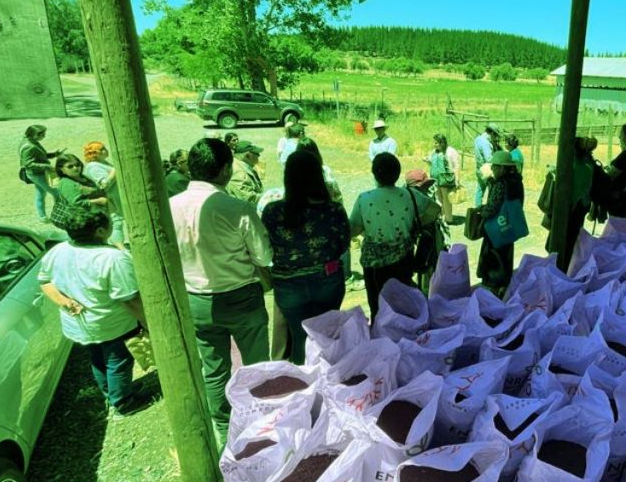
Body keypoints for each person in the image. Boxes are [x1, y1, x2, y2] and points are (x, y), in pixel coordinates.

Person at [169, 138, 273, 444]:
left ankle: (224, 426)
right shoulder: (237, 208)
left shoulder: (170, 206)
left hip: (196, 299)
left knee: (214, 368)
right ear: (226, 169)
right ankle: (259, 421)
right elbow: (264, 256)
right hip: (240, 295)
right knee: (255, 364)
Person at [38, 206, 154, 417]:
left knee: (98, 359)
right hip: (111, 324)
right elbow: (129, 299)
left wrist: (63, 301)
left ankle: (112, 393)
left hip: (80, 325)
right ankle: (124, 401)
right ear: (100, 231)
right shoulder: (112, 258)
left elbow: (44, 281)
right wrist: (149, 323)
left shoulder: (58, 250)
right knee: (118, 361)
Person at [261, 150, 350, 365]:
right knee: (326, 336)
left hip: (288, 286)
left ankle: (306, 383)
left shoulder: (273, 211)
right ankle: (329, 380)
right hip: (327, 280)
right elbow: (343, 244)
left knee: (300, 337)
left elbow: (266, 247)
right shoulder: (333, 210)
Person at [349, 153, 439, 322]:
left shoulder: (364, 198)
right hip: (403, 260)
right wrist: (413, 224)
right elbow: (434, 210)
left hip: (374, 265)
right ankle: (404, 333)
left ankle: (383, 339)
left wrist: (369, 228)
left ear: (374, 173)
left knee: (377, 306)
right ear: (398, 174)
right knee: (402, 302)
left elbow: (353, 229)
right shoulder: (410, 195)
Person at [476, 150, 524, 297]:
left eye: (494, 167)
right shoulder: (517, 181)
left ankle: (493, 289)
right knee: (506, 256)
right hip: (510, 225)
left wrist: (480, 212)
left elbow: (492, 208)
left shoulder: (500, 184)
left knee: (494, 259)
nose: (492, 169)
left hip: (497, 227)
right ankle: (504, 285)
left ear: (502, 168)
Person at [405, 168, 448, 294]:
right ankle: (428, 292)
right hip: (426, 237)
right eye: (426, 185)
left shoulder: (403, 194)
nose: (428, 187)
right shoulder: (417, 196)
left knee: (422, 267)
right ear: (419, 185)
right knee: (428, 265)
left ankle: (426, 291)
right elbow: (436, 210)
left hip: (417, 238)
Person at [83, 141, 127, 248]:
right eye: (101, 149)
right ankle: (120, 247)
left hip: (116, 196)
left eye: (104, 148)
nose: (105, 151)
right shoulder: (93, 167)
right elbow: (104, 185)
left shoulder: (102, 163)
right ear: (94, 154)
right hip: (111, 198)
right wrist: (117, 170)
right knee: (116, 222)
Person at [18, 124, 61, 223]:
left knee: (40, 194)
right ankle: (59, 215)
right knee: (57, 193)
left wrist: (54, 154)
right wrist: (46, 166)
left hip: (38, 173)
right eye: (42, 134)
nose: (44, 136)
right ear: (34, 134)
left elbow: (40, 155)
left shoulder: (30, 141)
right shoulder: (29, 146)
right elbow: (28, 164)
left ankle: (42, 217)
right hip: (39, 174)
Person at [425, 133, 459, 223]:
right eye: (434, 143)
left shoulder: (450, 151)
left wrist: (457, 179)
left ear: (442, 143)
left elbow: (456, 166)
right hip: (435, 179)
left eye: (436, 143)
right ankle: (441, 216)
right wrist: (427, 161)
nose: (434, 144)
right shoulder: (434, 151)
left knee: (446, 199)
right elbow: (431, 164)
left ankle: (448, 219)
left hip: (446, 178)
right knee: (438, 198)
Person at [473, 123, 499, 206]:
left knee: (480, 190)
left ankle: (477, 209)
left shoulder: (478, 139)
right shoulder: (486, 143)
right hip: (487, 169)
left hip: (479, 168)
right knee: (492, 191)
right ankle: (489, 209)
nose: (495, 138)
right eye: (495, 135)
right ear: (491, 133)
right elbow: (489, 159)